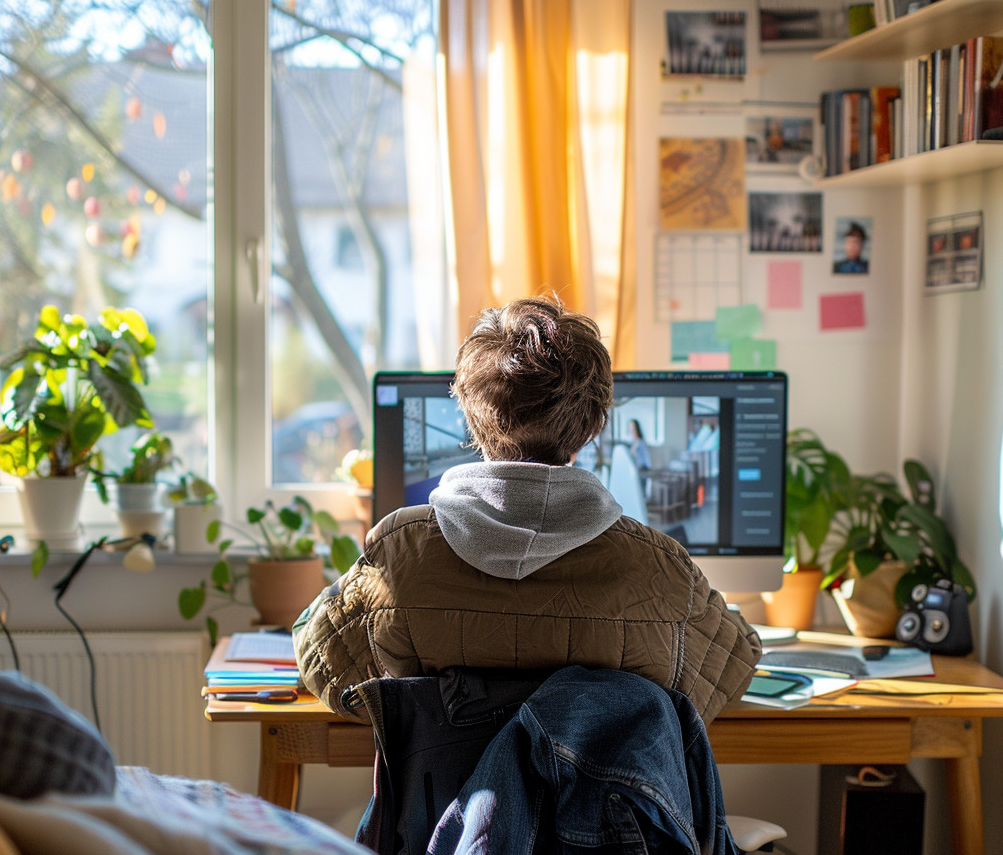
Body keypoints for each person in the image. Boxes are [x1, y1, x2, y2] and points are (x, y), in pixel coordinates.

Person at [292, 295, 761, 724]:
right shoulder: (660, 568)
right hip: (608, 819)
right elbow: (737, 661)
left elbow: (317, 658)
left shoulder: (400, 553)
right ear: (592, 423)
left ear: (471, 414)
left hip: (444, 817)